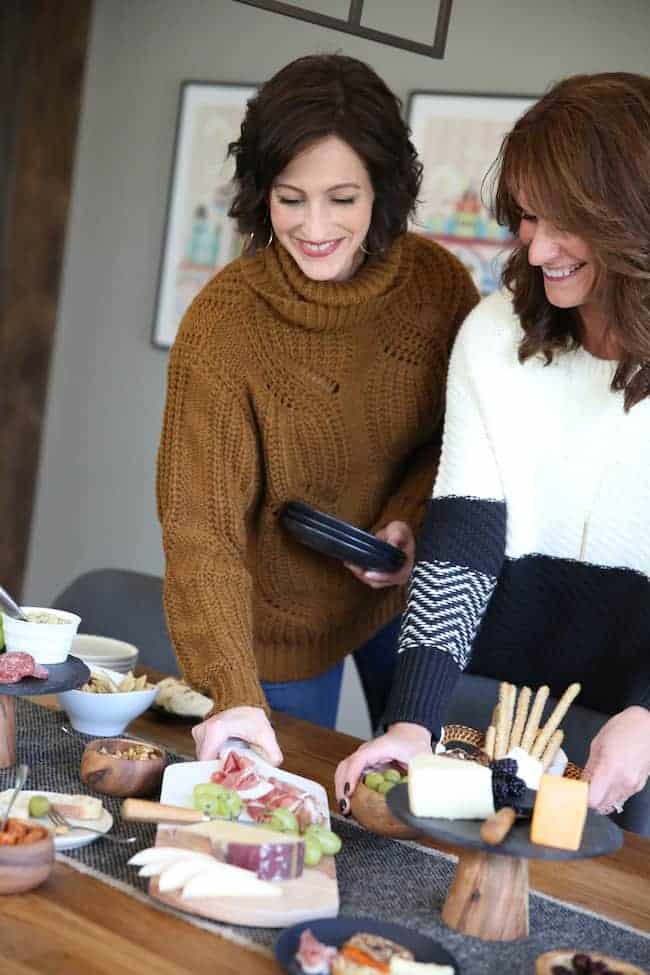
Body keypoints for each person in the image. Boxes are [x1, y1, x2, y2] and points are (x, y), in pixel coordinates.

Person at [336, 72, 650, 831]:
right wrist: (411, 721)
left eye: (562, 221)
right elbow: (463, 541)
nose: (537, 247)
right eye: (527, 216)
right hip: (490, 705)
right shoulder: (495, 334)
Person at [156, 54, 479, 765]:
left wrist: (409, 515)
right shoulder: (224, 324)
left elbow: (465, 441)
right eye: (290, 198)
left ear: (383, 192)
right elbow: (200, 527)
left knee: (427, 801)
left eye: (343, 198)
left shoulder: (440, 290)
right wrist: (233, 691)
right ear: (261, 194)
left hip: (404, 599)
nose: (315, 226)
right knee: (286, 801)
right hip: (274, 625)